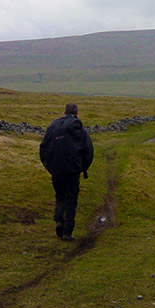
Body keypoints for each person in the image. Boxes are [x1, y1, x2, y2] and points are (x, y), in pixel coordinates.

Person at [39, 103, 94, 241]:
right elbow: (88, 150)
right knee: (71, 199)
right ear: (77, 113)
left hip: (56, 170)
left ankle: (59, 221)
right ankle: (67, 232)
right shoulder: (78, 128)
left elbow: (43, 147)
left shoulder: (53, 126)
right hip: (72, 170)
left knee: (60, 195)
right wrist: (81, 168)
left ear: (64, 112)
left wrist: (49, 166)